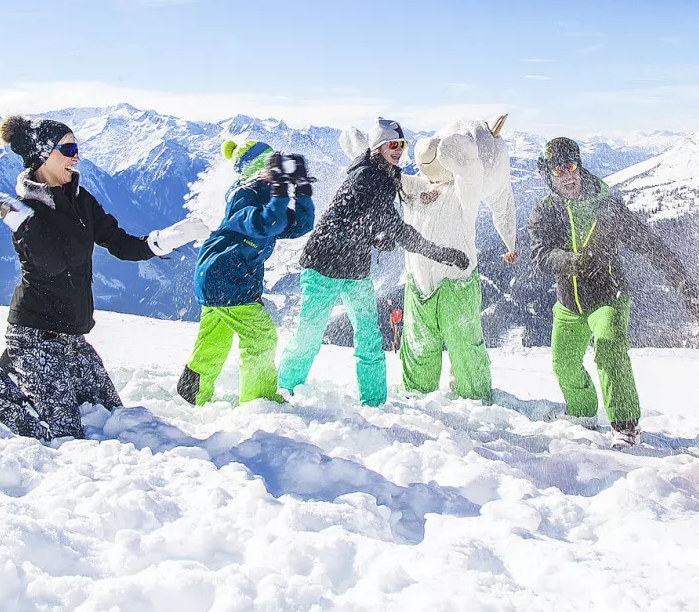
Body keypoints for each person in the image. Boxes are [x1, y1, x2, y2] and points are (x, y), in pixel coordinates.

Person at [0, 115, 209, 439]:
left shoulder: (80, 200)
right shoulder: (27, 212)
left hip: (72, 337)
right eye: (68, 148)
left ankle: (17, 377)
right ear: (43, 155)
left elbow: (119, 242)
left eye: (76, 147)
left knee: (112, 415)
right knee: (59, 432)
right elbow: (52, 263)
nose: (77, 156)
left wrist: (163, 240)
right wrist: (15, 217)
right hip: (33, 337)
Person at [277, 118, 470, 406]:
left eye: (401, 144)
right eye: (393, 144)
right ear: (378, 147)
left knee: (368, 336)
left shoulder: (385, 173)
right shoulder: (368, 176)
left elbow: (374, 217)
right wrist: (442, 253)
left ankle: (375, 401)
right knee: (310, 332)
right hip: (324, 265)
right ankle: (284, 390)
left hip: (355, 268)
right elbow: (393, 227)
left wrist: (384, 227)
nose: (398, 149)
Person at [527, 137, 699, 439]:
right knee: (564, 364)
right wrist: (573, 262)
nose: (569, 175)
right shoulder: (545, 211)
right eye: (560, 170)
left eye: (572, 166)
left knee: (610, 349)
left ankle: (625, 426)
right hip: (569, 304)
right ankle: (582, 414)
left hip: (608, 297)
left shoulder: (605, 206)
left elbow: (651, 245)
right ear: (549, 175)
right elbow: (540, 254)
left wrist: (686, 288)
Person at [176, 139, 316, 406]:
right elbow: (269, 223)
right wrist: (279, 187)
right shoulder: (242, 196)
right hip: (226, 277)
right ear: (254, 170)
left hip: (219, 277)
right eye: (269, 164)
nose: (275, 169)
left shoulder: (265, 195)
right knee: (261, 337)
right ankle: (259, 402)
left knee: (213, 340)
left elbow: (301, 225)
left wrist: (302, 188)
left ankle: (190, 394)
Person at [398, 117, 519, 402]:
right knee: (418, 343)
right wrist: (365, 159)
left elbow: (472, 176)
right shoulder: (417, 189)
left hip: (457, 282)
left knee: (464, 343)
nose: (428, 174)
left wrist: (458, 155)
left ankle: (474, 395)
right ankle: (415, 393)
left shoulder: (464, 192)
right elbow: (390, 180)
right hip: (419, 284)